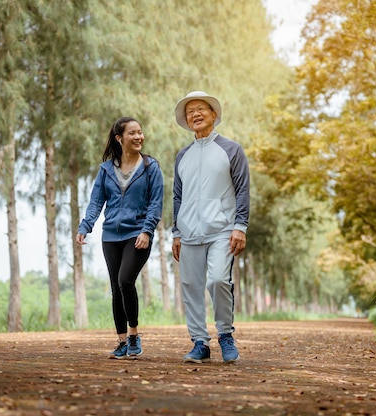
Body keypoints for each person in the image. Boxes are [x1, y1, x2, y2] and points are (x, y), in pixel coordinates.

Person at [172, 91, 250, 364]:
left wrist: (240, 226)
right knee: (191, 286)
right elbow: (177, 196)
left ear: (213, 114)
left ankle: (226, 335)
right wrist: (176, 232)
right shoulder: (183, 155)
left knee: (218, 280)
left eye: (201, 109)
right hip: (189, 232)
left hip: (222, 229)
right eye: (190, 111)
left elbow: (242, 190)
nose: (195, 114)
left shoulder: (231, 150)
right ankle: (199, 343)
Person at [76, 116, 163, 360]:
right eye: (132, 133)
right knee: (116, 288)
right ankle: (122, 341)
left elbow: (156, 203)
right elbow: (96, 202)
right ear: (119, 138)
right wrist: (86, 226)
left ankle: (134, 335)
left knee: (126, 281)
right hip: (111, 235)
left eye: (140, 132)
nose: (138, 137)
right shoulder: (106, 170)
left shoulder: (150, 167)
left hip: (137, 233)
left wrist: (147, 230)